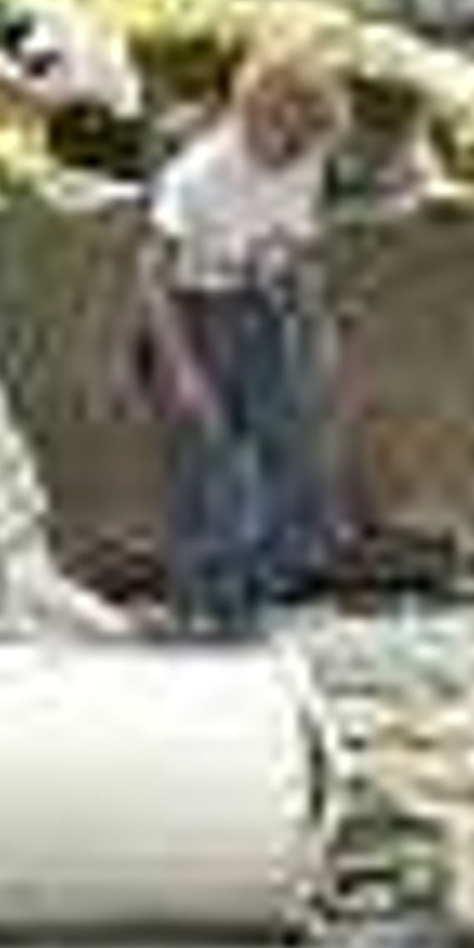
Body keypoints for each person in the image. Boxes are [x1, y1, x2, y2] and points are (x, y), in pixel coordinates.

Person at [136, 33, 346, 634]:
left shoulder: (303, 162)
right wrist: (183, 372)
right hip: (190, 313)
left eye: (309, 142)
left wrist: (316, 329)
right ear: (260, 116)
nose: (298, 154)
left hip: (260, 309)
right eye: (292, 137)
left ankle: (249, 595)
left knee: (297, 464)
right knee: (209, 470)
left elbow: (298, 253)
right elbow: (150, 276)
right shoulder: (199, 175)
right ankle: (204, 607)